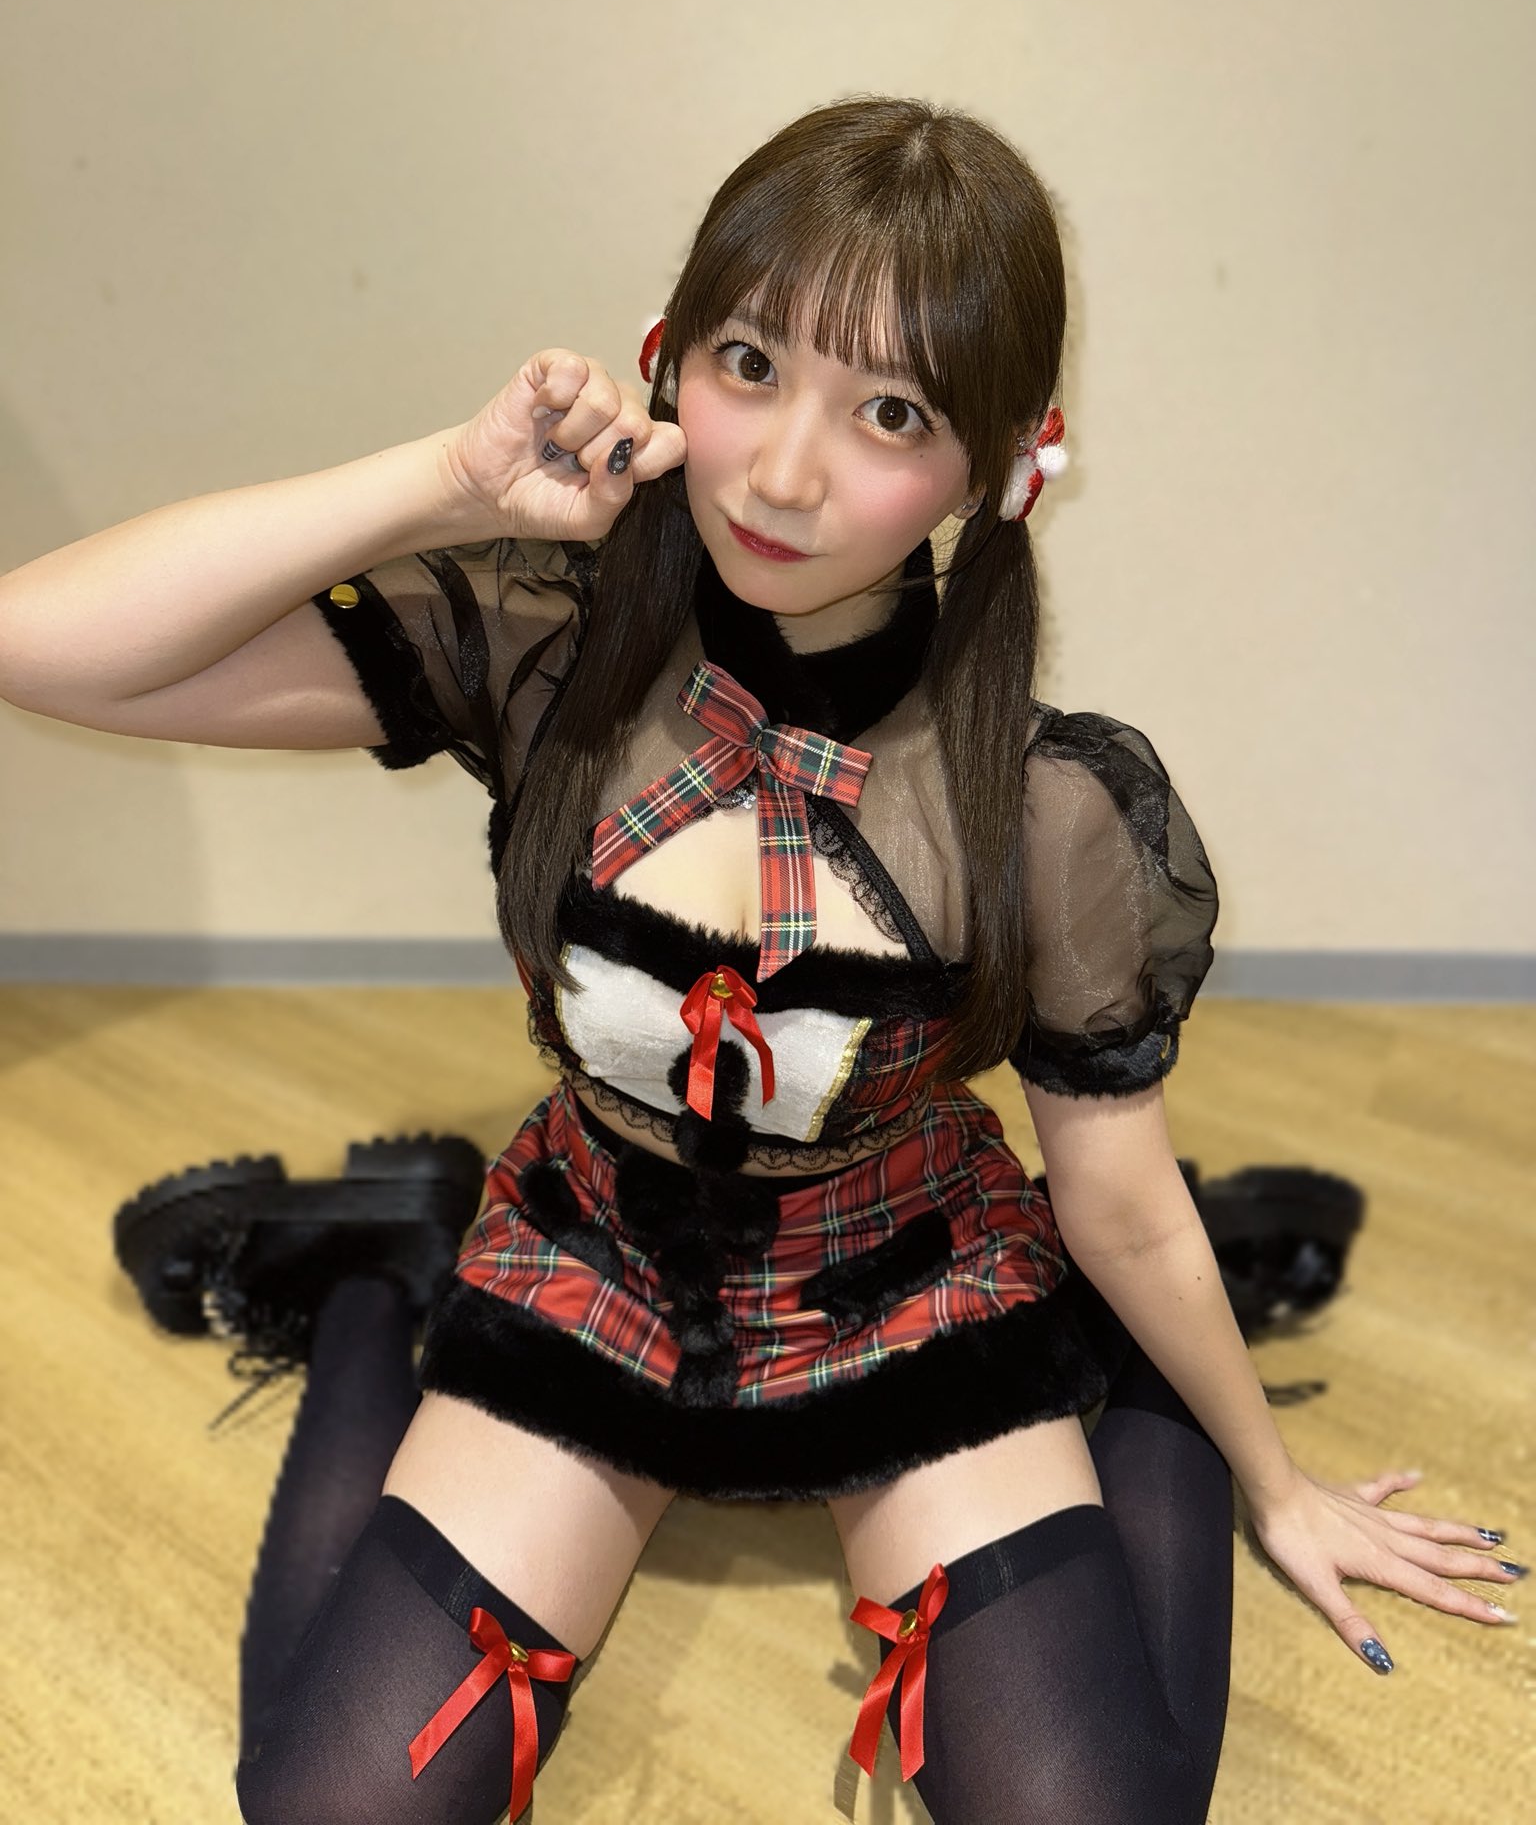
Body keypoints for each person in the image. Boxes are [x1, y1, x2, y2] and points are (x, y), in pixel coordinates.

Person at [1, 94, 1517, 1825]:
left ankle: (1143, 1350)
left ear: (1005, 465)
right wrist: (448, 479)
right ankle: (373, 1274)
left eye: (891, 413)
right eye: (749, 364)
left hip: (909, 1288)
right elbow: (42, 645)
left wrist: (1280, 1485)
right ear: (667, 360)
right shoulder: (547, 648)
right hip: (585, 1260)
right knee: (329, 1808)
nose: (786, 473)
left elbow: (1119, 1195)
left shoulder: (1046, 804)